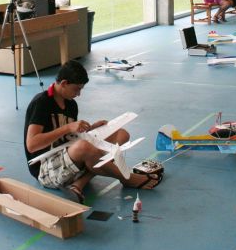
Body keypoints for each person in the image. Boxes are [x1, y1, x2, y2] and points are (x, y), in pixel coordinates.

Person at [24, 60, 162, 204]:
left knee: (121, 134)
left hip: (68, 156)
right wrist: (67, 128)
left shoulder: (71, 104)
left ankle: (79, 184)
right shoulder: (41, 103)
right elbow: (32, 145)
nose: (79, 94)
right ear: (64, 83)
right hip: (45, 169)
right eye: (76, 89)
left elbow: (69, 137)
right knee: (85, 147)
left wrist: (91, 129)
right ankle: (126, 178)